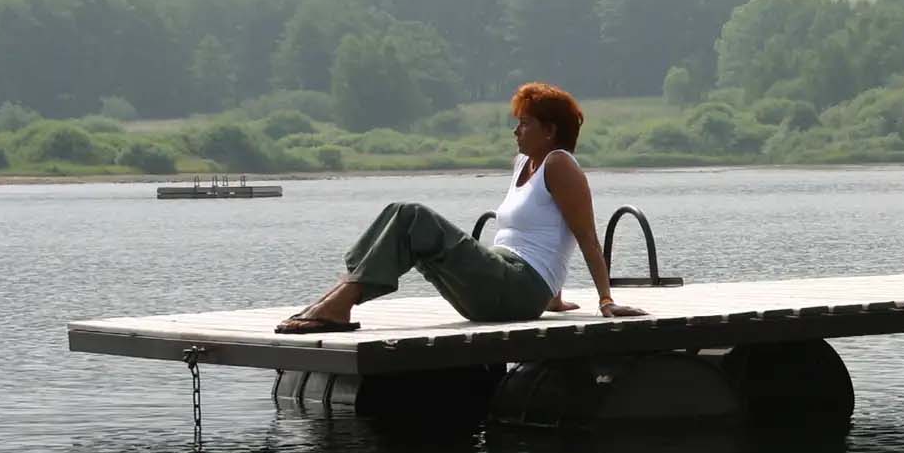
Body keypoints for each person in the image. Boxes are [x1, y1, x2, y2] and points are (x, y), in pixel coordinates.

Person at [274, 82, 647, 334]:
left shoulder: (560, 164)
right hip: (505, 281)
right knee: (398, 215)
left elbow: (584, 236)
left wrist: (606, 300)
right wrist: (555, 298)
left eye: (525, 124)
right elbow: (545, 233)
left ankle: (337, 305)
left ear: (549, 131)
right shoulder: (524, 164)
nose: (516, 132)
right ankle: (335, 298)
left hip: (516, 289)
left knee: (411, 215)